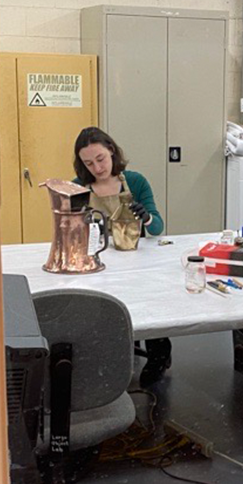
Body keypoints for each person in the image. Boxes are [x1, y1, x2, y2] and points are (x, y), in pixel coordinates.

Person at [72, 127, 171, 385]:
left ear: (112, 151)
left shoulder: (135, 182)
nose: (97, 167)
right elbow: (70, 232)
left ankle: (159, 354)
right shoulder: (77, 188)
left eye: (101, 159)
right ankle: (110, 358)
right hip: (98, 263)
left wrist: (146, 217)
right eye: (88, 163)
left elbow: (158, 228)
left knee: (148, 303)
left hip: (134, 259)